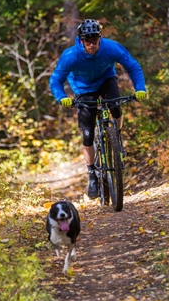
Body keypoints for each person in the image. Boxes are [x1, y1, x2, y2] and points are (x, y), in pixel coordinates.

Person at [50, 19, 147, 198]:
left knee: (115, 107)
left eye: (95, 39)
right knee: (87, 134)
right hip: (83, 89)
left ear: (100, 37)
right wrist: (62, 97)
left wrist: (140, 88)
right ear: (81, 40)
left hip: (106, 80)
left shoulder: (111, 48)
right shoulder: (71, 55)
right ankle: (92, 174)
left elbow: (133, 66)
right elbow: (56, 80)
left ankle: (116, 137)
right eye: (87, 40)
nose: (92, 44)